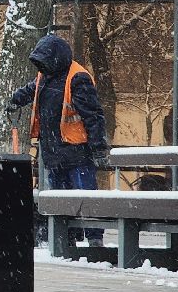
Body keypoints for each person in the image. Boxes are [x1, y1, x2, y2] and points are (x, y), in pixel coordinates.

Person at [8, 33, 110, 249]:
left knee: (85, 197)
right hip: (53, 152)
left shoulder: (77, 78)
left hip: (77, 151)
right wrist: (16, 100)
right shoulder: (45, 76)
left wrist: (99, 148)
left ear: (54, 58)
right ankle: (67, 239)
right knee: (60, 199)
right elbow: (30, 90)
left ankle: (94, 241)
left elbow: (93, 116)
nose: (41, 66)